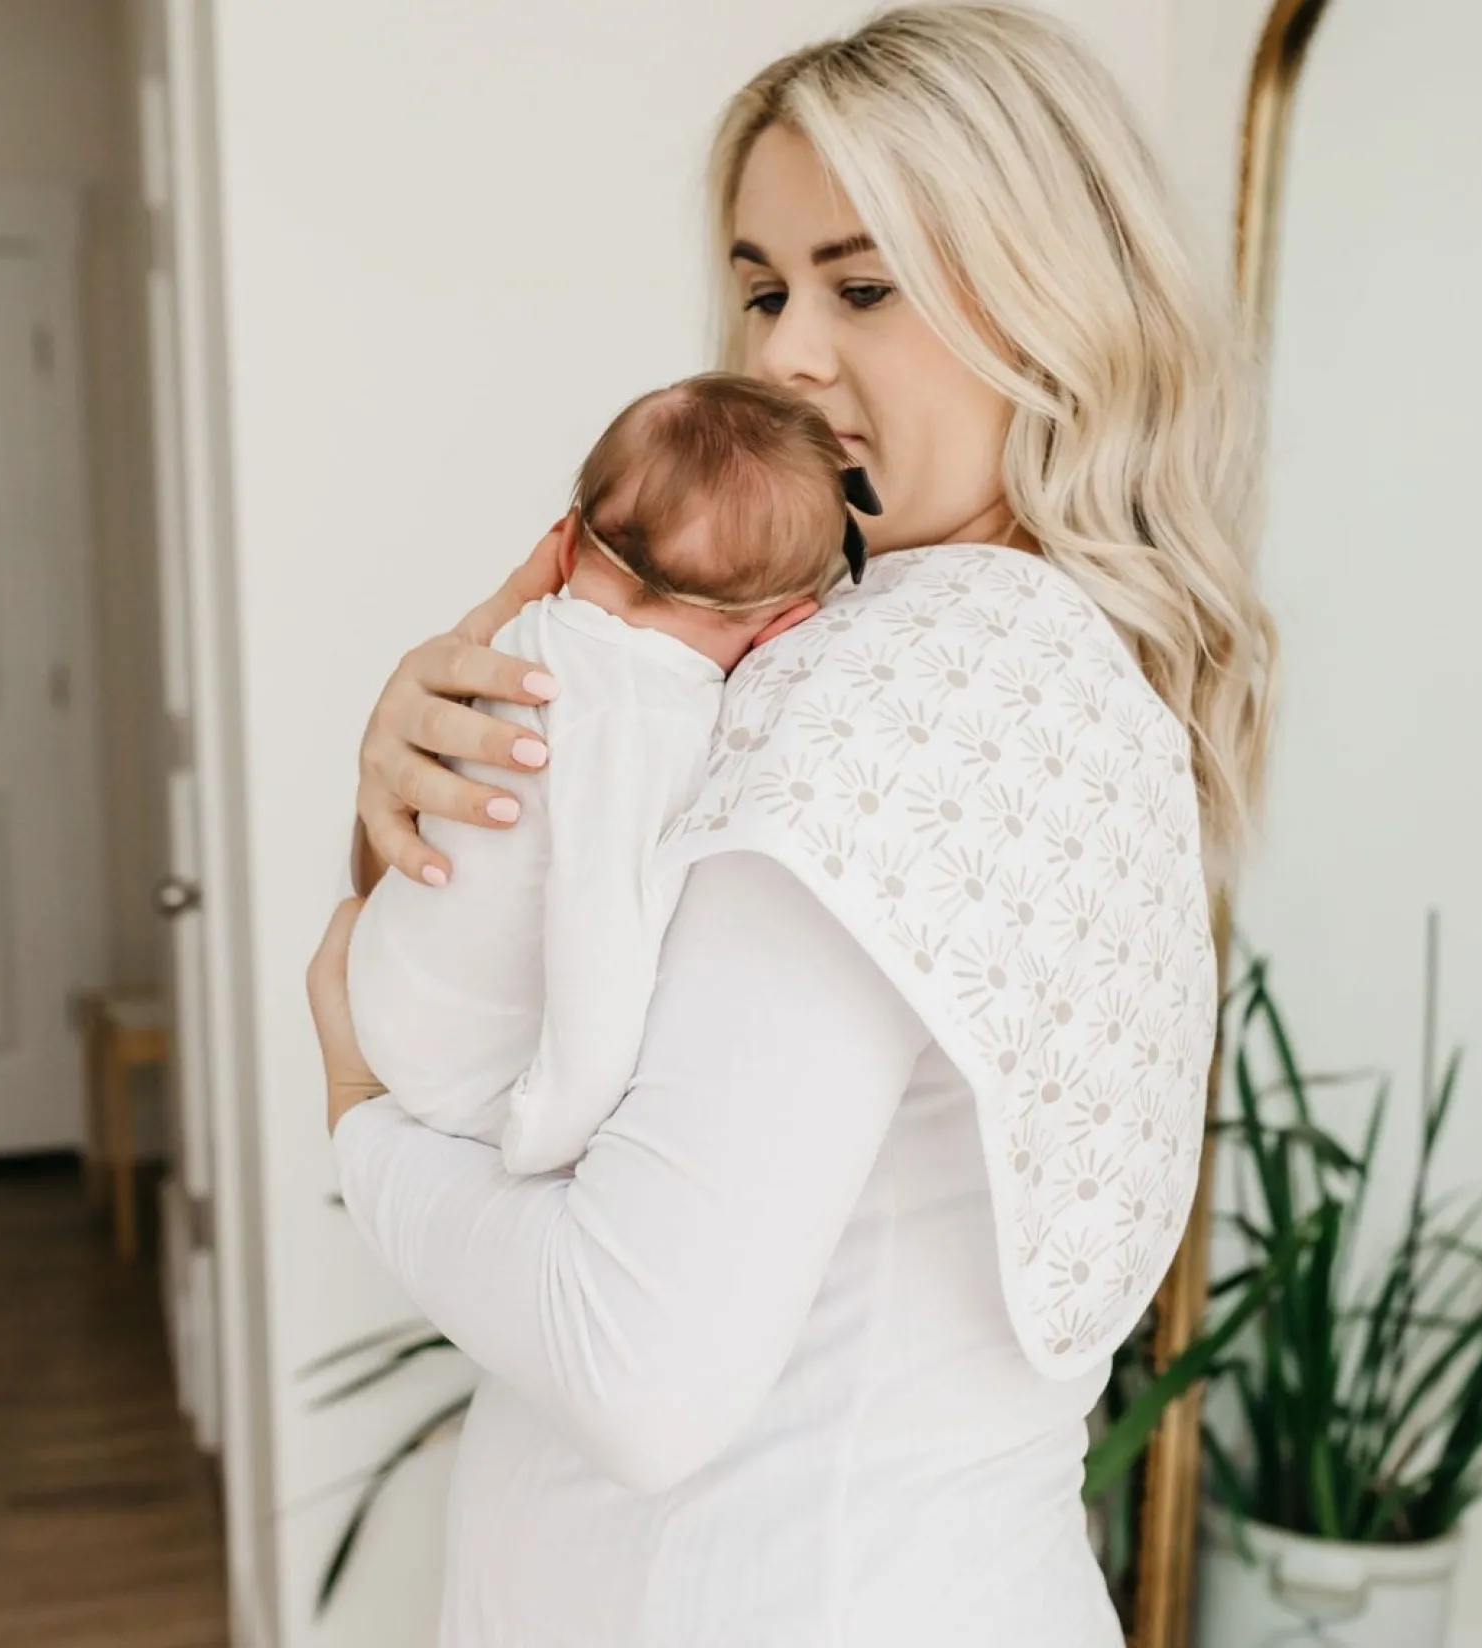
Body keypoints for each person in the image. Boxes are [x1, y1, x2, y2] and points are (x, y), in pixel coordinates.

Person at [307, 5, 1276, 1644]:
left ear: (1056, 304)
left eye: (862, 286)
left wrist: (356, 1105)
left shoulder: (903, 681)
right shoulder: (997, 656)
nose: (785, 358)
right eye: (762, 290)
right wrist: (424, 784)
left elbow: (637, 1365)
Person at [348, 373, 860, 1174]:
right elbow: (601, 926)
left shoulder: (521, 632)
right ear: (784, 625)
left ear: (567, 545)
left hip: (384, 980)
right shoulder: (647, 717)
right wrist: (553, 1133)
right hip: (465, 1077)